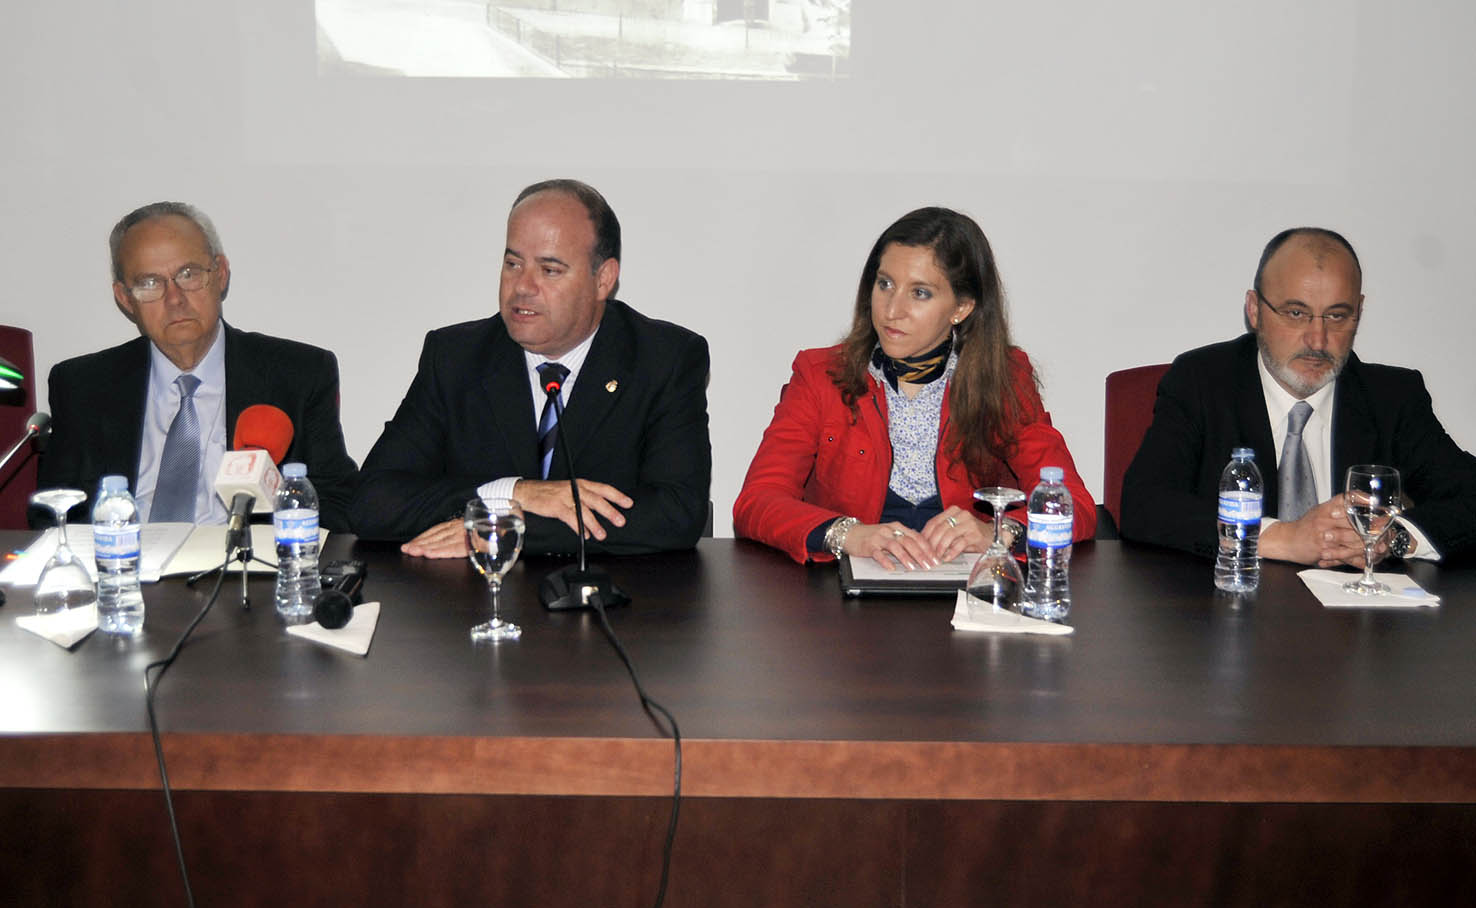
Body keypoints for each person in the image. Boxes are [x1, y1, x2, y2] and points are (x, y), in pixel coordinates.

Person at [349, 178, 711, 557]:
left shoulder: (663, 359)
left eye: (550, 270)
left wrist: (501, 530)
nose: (522, 286)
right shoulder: (456, 357)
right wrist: (514, 492)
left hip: (612, 604)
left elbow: (676, 513)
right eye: (512, 263)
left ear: (603, 279)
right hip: (470, 603)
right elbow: (373, 501)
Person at [733, 206, 1095, 569]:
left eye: (920, 293)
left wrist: (999, 532)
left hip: (967, 587)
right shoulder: (820, 374)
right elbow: (756, 502)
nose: (892, 310)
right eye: (885, 284)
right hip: (842, 591)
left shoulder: (1003, 377)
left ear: (962, 307)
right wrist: (847, 534)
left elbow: (1072, 503)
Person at [1120, 226, 1476, 565]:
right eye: (1296, 313)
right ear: (1255, 310)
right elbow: (1144, 502)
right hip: (1229, 612)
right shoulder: (1202, 382)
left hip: (1357, 622)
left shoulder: (1392, 398)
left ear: (1359, 313)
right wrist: (1284, 538)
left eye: (1337, 316)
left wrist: (1392, 538)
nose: (1317, 340)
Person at [38, 201, 359, 528]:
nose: (174, 298)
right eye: (150, 283)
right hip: (125, 564)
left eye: (188, 274)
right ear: (124, 297)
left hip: (241, 569)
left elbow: (337, 501)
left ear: (220, 274)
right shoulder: (82, 385)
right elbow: (52, 513)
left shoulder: (299, 375)